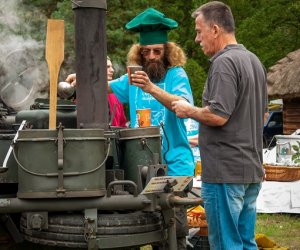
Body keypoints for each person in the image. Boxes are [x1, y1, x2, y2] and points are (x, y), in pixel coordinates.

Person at [171, 2, 268, 250]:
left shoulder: (224, 63)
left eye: (199, 31)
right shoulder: (253, 60)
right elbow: (263, 114)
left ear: (214, 29)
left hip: (226, 172)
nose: (196, 39)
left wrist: (187, 110)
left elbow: (218, 115)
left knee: (226, 244)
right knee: (246, 242)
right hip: (250, 169)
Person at [109, 8, 195, 249]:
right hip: (141, 167)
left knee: (172, 232)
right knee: (140, 228)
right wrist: (79, 79)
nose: (152, 57)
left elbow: (183, 106)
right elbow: (103, 87)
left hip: (175, 165)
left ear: (168, 51)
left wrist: (151, 88)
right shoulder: (132, 78)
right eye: (146, 52)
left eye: (157, 51)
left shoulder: (177, 75)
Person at [66, 57, 127, 127]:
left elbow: (122, 124)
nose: (112, 70)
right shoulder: (83, 95)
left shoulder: (116, 94)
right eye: (107, 67)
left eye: (111, 67)